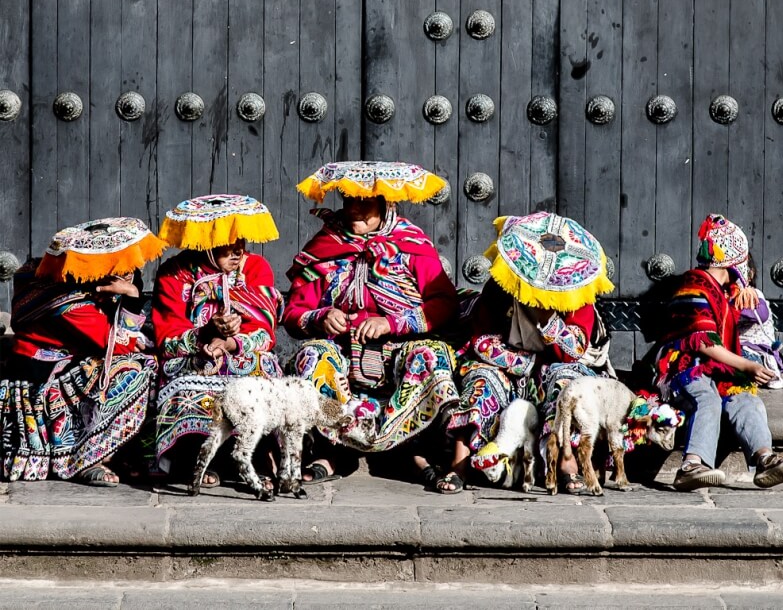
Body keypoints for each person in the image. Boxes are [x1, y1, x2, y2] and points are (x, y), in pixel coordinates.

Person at [284, 160, 460, 489]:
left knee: (430, 357)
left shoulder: (412, 246)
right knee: (312, 358)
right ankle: (332, 450)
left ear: (385, 204)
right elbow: (294, 312)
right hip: (342, 348)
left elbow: (444, 305)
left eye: (364, 202)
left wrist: (392, 322)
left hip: (400, 346)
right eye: (349, 200)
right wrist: (321, 317)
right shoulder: (324, 248)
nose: (354, 208)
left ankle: (412, 448)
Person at [447, 212, 614, 495]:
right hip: (509, 364)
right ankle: (459, 462)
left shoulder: (577, 295)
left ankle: (566, 461)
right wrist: (523, 362)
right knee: (482, 380)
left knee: (567, 385)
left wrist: (549, 320)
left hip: (556, 367)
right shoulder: (501, 289)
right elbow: (482, 340)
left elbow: (575, 350)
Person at [0, 217, 164, 485]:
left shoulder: (69, 282)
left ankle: (121, 450)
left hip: (67, 361)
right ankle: (87, 457)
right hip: (43, 375)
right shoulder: (70, 304)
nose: (126, 271)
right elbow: (118, 343)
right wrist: (133, 297)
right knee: (135, 368)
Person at [654, 213, 783, 490]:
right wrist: (747, 366)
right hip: (685, 368)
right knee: (706, 399)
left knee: (745, 399)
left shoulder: (723, 291)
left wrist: (745, 296)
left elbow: (757, 313)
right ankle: (691, 464)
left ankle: (764, 458)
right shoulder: (693, 286)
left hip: (719, 371)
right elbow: (703, 342)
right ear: (735, 262)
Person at [152, 194, 283, 485]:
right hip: (196, 352)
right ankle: (192, 457)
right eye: (226, 240)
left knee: (260, 373)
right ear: (206, 240)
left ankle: (257, 455)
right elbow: (167, 334)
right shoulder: (174, 274)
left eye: (241, 240)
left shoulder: (255, 268)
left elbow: (265, 329)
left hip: (241, 352)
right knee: (189, 374)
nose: (237, 249)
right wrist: (206, 335)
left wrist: (233, 343)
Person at [735, 253, 783, 390]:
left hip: (757, 350)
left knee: (745, 359)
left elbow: (761, 314)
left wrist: (732, 309)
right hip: (735, 349)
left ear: (749, 275)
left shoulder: (754, 294)